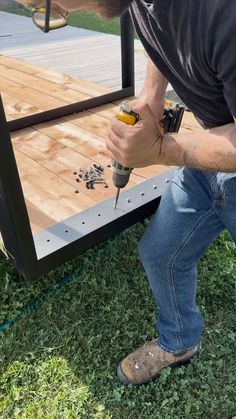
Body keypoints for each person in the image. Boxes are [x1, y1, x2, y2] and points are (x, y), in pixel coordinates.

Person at [18, 0, 236, 385]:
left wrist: (161, 151)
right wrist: (151, 95)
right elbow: (162, 34)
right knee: (162, 251)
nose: (62, 15)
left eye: (45, 5)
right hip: (209, 154)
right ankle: (179, 340)